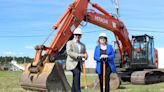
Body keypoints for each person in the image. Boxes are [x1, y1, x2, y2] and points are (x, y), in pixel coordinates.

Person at [66, 27, 88, 92]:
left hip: (79, 64)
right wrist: (79, 55)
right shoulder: (69, 43)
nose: (77, 36)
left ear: (81, 36)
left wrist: (86, 56)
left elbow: (85, 53)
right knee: (77, 73)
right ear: (74, 35)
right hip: (71, 63)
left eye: (79, 35)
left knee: (75, 77)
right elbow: (69, 52)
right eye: (76, 34)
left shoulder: (83, 45)